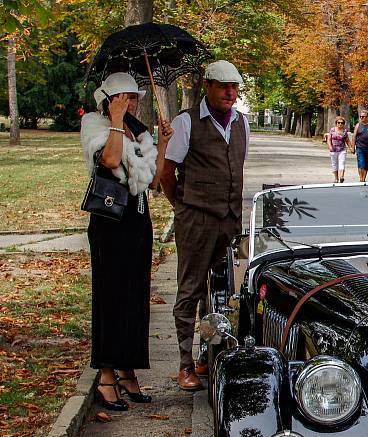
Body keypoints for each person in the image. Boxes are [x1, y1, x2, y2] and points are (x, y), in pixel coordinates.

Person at [80, 72, 173, 410]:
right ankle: (106, 374)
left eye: (134, 97)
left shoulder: (140, 132)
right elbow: (110, 160)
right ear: (109, 99)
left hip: (137, 218)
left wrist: (161, 145)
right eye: (124, 97)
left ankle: (127, 369)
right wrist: (116, 122)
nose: (131, 103)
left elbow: (151, 182)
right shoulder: (95, 125)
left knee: (135, 297)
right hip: (109, 220)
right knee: (111, 296)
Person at [161, 60, 250, 391]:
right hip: (196, 218)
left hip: (230, 221)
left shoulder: (242, 123)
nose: (230, 92)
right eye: (223, 86)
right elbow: (166, 174)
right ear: (208, 86)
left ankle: (207, 354)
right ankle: (185, 365)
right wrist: (183, 207)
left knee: (223, 291)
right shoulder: (187, 122)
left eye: (235, 87)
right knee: (190, 288)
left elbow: (236, 167)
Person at [352, 110, 368, 181]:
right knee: (361, 162)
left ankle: (364, 178)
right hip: (359, 147)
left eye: (363, 116)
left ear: (367, 117)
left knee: (367, 163)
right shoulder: (358, 125)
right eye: (360, 116)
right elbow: (354, 136)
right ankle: (361, 178)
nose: (361, 118)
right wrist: (353, 147)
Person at [328, 116, 352, 182]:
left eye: (342, 123)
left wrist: (350, 147)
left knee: (342, 162)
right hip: (333, 149)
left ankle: (341, 177)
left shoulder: (345, 131)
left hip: (342, 149)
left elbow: (347, 140)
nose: (340, 124)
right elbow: (329, 139)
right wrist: (330, 146)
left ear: (344, 124)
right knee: (334, 164)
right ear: (336, 123)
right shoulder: (332, 130)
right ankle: (336, 178)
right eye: (339, 122)